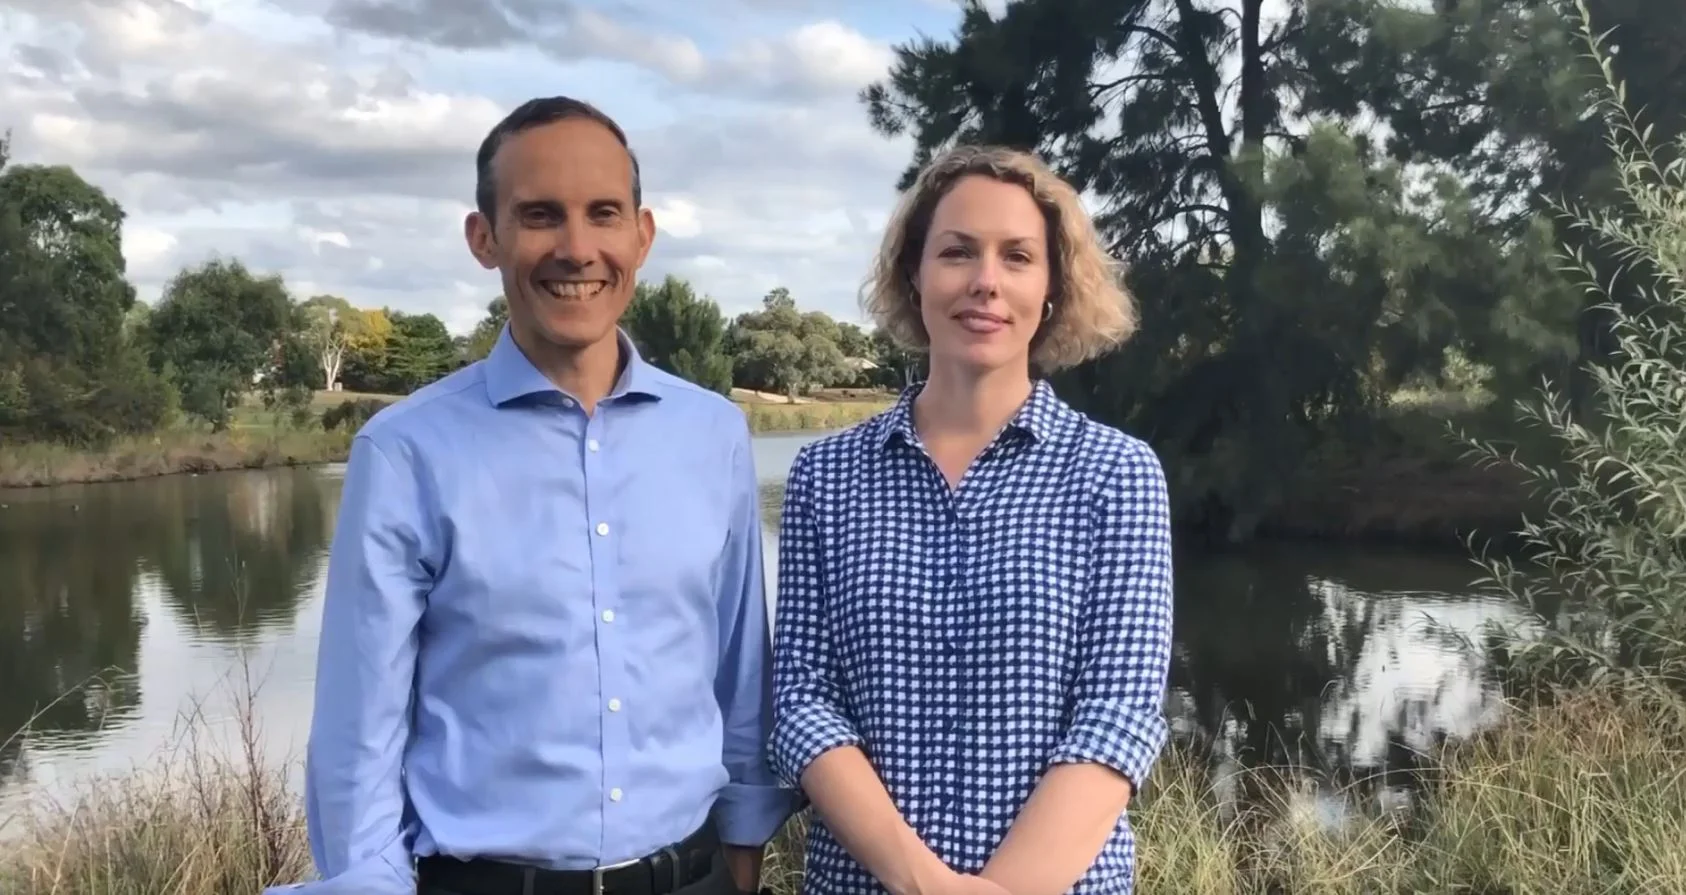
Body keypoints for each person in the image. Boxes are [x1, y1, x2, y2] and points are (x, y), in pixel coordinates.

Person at [265, 97, 794, 895]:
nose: (577, 249)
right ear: (487, 238)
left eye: (603, 214)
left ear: (641, 236)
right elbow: (357, 734)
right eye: (541, 215)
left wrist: (743, 854)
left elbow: (737, 672)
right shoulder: (407, 451)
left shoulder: (712, 433)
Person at [767, 144, 1174, 895]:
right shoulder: (825, 477)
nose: (986, 281)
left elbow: (1116, 716)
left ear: (1052, 286)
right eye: (957, 252)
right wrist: (921, 881)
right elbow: (803, 702)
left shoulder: (1117, 475)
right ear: (913, 274)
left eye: (1017, 256)